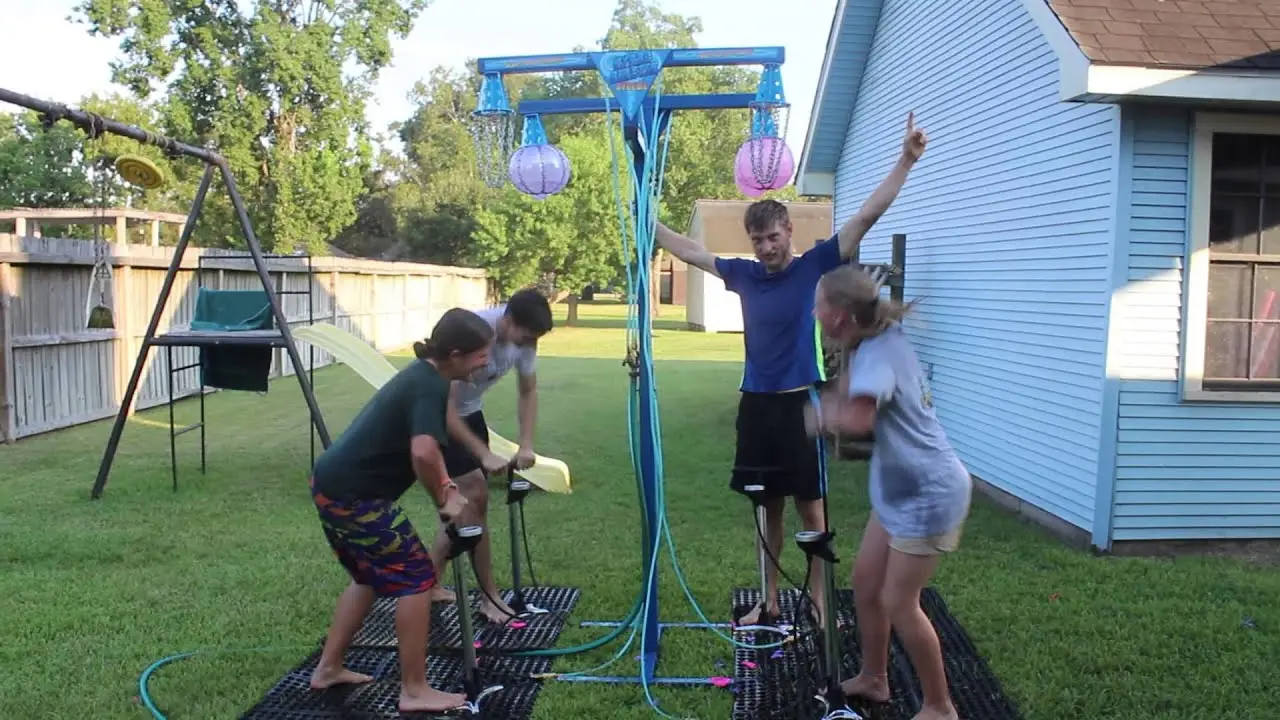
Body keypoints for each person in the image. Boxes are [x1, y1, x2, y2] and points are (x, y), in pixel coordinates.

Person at [653, 112, 929, 628]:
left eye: (773, 237)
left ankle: (821, 602)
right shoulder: (744, 275)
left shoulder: (814, 266)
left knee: (811, 508)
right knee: (766, 510)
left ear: (789, 233)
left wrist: (905, 160)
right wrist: (647, 219)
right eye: (757, 240)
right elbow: (691, 251)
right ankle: (771, 599)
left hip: (801, 400)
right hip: (756, 404)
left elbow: (867, 215)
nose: (765, 247)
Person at [306, 307, 495, 714]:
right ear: (457, 353)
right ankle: (414, 690)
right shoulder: (428, 384)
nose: (486, 362)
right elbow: (423, 451)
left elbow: (432, 446)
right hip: (355, 497)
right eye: (481, 355)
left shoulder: (430, 378)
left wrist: (445, 486)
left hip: (332, 486)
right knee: (417, 578)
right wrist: (445, 497)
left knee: (367, 576)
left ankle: (328, 667)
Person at [807, 265, 970, 720]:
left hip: (928, 492)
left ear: (839, 315)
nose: (813, 311)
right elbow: (852, 389)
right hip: (899, 488)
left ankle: (940, 706)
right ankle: (875, 678)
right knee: (865, 583)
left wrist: (819, 418)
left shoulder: (878, 354)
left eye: (819, 304)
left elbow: (860, 421)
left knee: (900, 601)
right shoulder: (874, 338)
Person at [427, 288, 555, 624]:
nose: (528, 345)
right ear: (508, 320)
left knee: (465, 509)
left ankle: (430, 583)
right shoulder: (475, 332)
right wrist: (483, 453)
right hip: (438, 417)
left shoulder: (524, 340)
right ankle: (490, 597)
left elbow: (528, 389)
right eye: (526, 337)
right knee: (477, 499)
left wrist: (526, 444)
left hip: (471, 414)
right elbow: (445, 409)